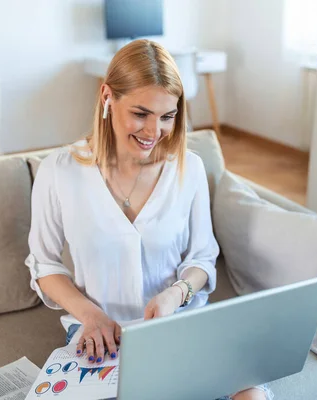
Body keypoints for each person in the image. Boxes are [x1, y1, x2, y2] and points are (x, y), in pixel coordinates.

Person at [25, 39, 273, 400]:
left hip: (179, 326)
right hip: (101, 337)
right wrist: (90, 315)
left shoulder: (189, 169)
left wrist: (177, 293)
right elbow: (44, 266)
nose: (154, 132)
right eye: (141, 114)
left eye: (167, 117)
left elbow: (202, 258)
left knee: (251, 394)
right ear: (107, 96)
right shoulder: (59, 172)